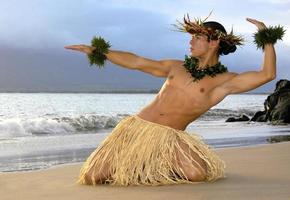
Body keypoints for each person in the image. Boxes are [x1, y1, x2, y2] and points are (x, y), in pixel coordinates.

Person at [65, 15, 284, 186]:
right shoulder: (175, 67)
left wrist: (266, 37)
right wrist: (98, 51)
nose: (191, 41)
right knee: (93, 177)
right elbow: (137, 62)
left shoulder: (224, 81)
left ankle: (152, 164)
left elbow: (267, 74)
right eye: (191, 37)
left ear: (214, 41)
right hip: (137, 129)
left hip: (171, 138)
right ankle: (142, 163)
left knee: (196, 174)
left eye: (197, 37)